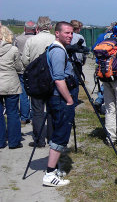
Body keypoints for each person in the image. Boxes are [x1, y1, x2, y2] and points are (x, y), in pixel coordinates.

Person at [42, 21, 78, 186]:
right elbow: (58, 78)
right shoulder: (58, 51)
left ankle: (53, 168)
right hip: (60, 98)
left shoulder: (57, 48)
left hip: (57, 98)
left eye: (71, 33)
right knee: (61, 135)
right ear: (57, 33)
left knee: (59, 131)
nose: (70, 36)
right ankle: (50, 174)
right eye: (66, 33)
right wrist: (69, 99)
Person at [22, 16, 55, 147]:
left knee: (37, 110)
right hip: (52, 77)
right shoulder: (55, 40)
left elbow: (25, 60)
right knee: (52, 109)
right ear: (50, 27)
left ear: (38, 27)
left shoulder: (31, 40)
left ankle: (39, 139)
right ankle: (52, 138)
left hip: (36, 78)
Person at [0, 26, 24, 149]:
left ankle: (1, 141)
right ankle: (14, 141)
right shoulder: (13, 49)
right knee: (13, 112)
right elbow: (19, 68)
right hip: (10, 83)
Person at [14, 20, 36, 124]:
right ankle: (34, 114)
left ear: (24, 28)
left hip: (22, 69)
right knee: (34, 93)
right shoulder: (36, 39)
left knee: (23, 93)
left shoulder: (18, 39)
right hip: (35, 69)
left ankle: (24, 116)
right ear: (35, 29)